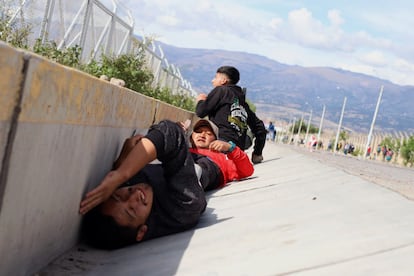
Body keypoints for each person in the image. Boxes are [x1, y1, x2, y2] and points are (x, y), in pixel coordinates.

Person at [80, 119, 253, 249]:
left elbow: (247, 171)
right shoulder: (184, 205)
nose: (133, 195)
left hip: (207, 167)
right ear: (142, 231)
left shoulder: (222, 158)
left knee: (192, 165)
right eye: (199, 131)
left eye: (209, 134)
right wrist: (124, 170)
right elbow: (172, 136)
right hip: (192, 169)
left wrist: (230, 149)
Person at [195, 65, 267, 164]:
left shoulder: (221, 90)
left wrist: (200, 101)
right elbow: (260, 128)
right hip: (236, 152)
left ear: (223, 80)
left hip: (220, 145)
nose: (212, 81)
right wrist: (257, 153)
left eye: (216, 77)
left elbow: (200, 112)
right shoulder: (243, 103)